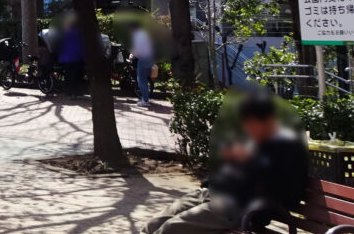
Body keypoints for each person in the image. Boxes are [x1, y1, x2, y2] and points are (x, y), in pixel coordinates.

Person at [141, 91, 308, 234]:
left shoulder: (288, 147)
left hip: (238, 206)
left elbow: (292, 192)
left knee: (170, 230)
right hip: (211, 193)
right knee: (151, 226)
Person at [131, 23, 155, 107]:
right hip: (150, 57)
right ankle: (145, 98)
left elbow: (138, 49)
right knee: (144, 80)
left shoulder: (137, 35)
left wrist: (132, 55)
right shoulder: (143, 33)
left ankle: (145, 100)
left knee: (141, 80)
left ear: (133, 28)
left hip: (144, 58)